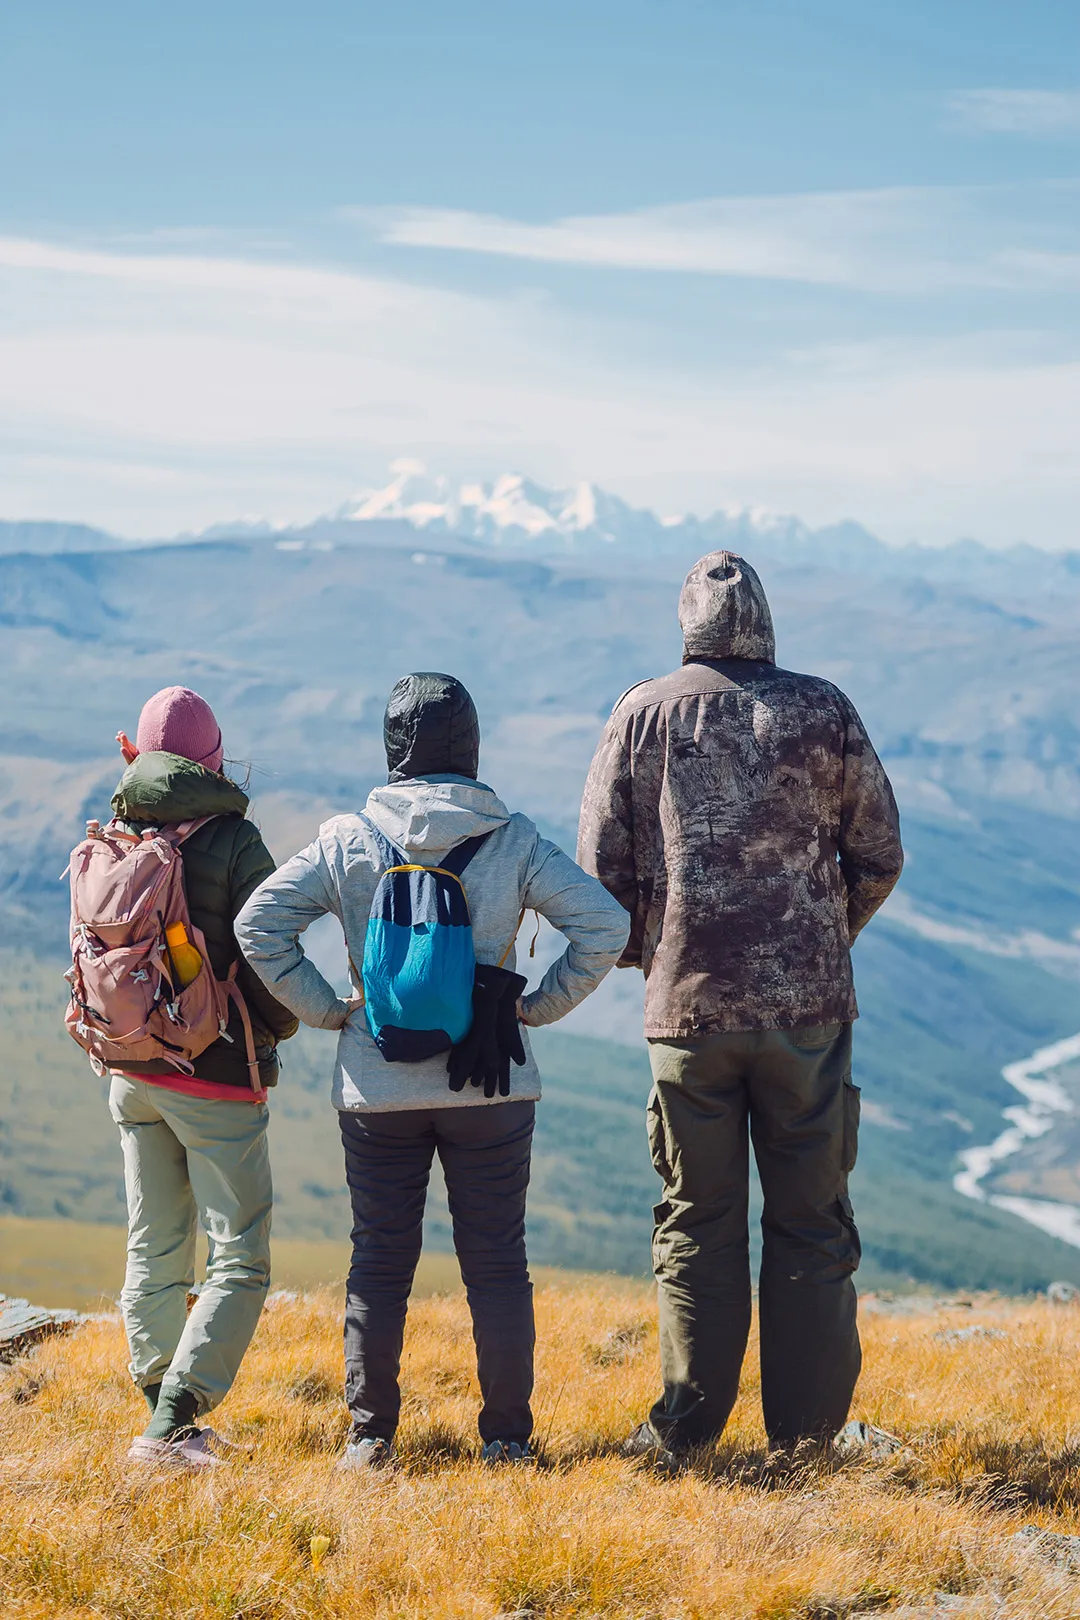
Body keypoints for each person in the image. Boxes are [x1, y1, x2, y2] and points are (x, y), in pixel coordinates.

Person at [236, 672, 629, 1470]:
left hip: (376, 1084)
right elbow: (604, 925)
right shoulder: (513, 839)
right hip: (492, 1085)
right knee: (497, 1261)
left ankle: (371, 1438)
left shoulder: (346, 839)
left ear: (392, 751)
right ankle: (509, 1441)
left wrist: (331, 1010)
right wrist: (532, 1009)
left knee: (379, 1258)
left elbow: (259, 923)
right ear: (472, 747)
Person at [577, 551, 903, 1459]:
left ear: (686, 620)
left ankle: (684, 1434)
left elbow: (600, 879)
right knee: (811, 1218)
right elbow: (879, 854)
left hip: (687, 1010)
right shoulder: (823, 708)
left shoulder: (640, 715)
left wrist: (659, 953)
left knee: (696, 1221)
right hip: (808, 1013)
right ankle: (806, 1442)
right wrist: (819, 940)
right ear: (764, 615)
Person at [102, 687, 298, 1469]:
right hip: (213, 1078)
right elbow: (268, 957)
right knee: (239, 1256)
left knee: (153, 1248)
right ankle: (172, 1424)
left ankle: (166, 1418)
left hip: (130, 1066)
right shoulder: (236, 841)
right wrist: (277, 1031)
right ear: (214, 761)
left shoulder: (116, 830)